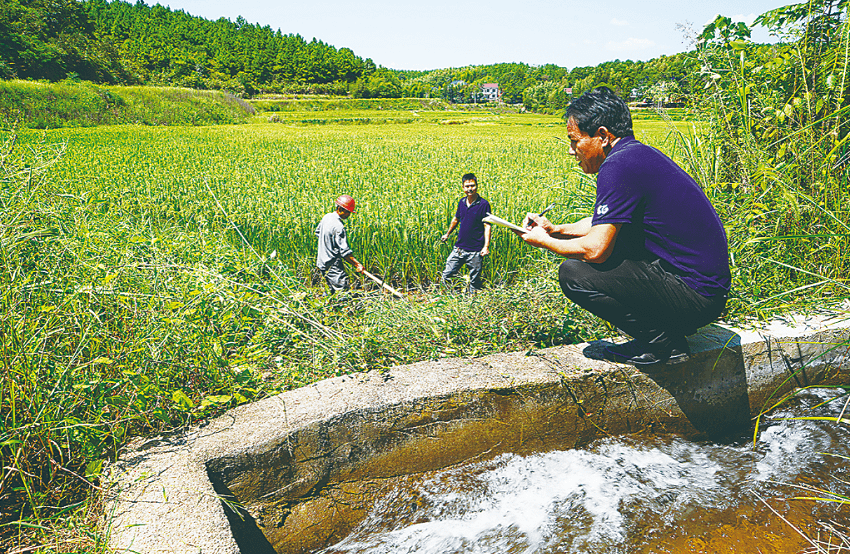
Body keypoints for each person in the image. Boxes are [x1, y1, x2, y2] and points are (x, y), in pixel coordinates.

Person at [517, 87, 730, 367]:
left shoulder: (618, 166)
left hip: (696, 295)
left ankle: (663, 344)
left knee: (574, 273)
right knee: (618, 245)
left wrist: (544, 241)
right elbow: (604, 223)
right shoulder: (636, 155)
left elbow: (595, 250)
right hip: (706, 291)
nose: (571, 151)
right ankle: (667, 333)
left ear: (603, 136)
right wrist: (555, 229)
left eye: (575, 141)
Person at [440, 173, 492, 292]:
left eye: (472, 186)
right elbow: (456, 219)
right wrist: (447, 234)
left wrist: (486, 247)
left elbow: (487, 225)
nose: (470, 189)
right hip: (459, 248)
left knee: (474, 281)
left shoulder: (484, 204)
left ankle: (472, 301)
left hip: (475, 251)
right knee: (447, 274)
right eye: (467, 186)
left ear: (477, 186)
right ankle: (450, 297)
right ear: (463, 187)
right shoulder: (462, 202)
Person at [315, 194, 364, 293]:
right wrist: (357, 264)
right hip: (332, 265)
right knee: (342, 292)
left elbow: (318, 233)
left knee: (330, 291)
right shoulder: (338, 227)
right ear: (341, 209)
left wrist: (327, 245)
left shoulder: (326, 217)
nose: (349, 215)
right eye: (348, 212)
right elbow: (345, 252)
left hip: (321, 262)